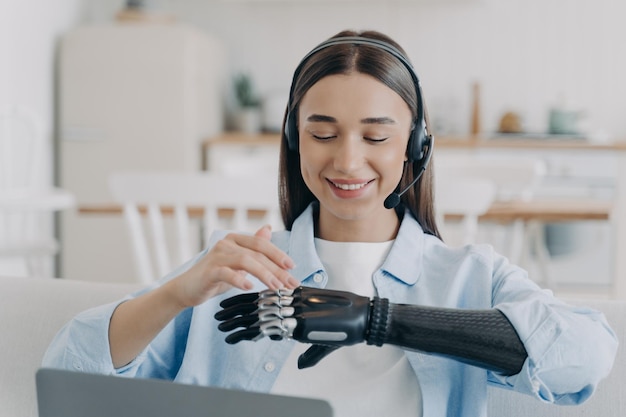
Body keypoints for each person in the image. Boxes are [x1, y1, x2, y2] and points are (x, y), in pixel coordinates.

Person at [43, 30, 617, 417]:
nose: (345, 161)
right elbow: (68, 372)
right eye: (321, 134)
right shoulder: (237, 268)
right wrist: (174, 295)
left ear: (415, 147)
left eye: (375, 136)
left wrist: (380, 320)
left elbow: (587, 356)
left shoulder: (469, 277)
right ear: (294, 142)